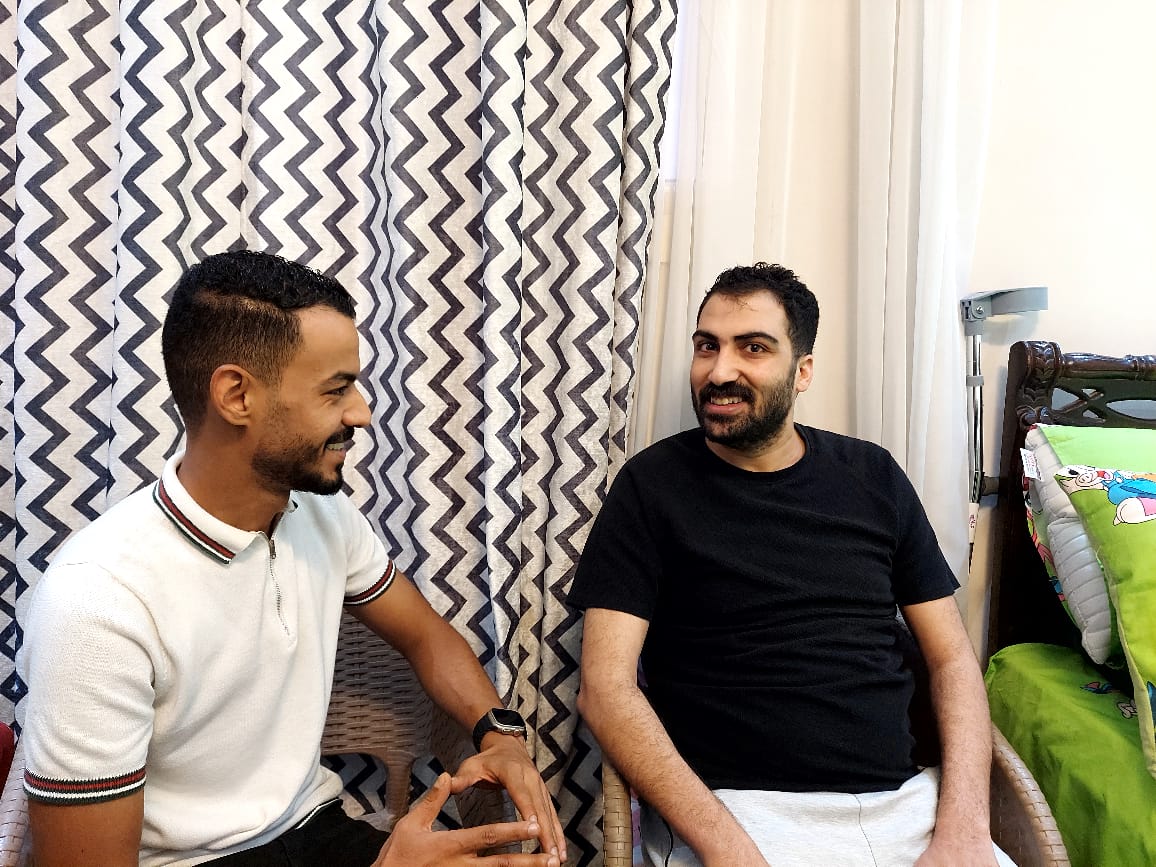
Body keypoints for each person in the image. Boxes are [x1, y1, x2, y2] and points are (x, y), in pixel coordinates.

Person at [19, 251, 565, 867]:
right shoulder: (97, 602)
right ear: (236, 395)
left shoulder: (323, 517)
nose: (361, 413)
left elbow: (424, 635)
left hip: (313, 828)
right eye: (336, 390)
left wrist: (499, 734)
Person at [570, 263, 1013, 867]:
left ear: (802, 371)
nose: (719, 372)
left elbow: (952, 658)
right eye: (707, 346)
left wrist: (963, 829)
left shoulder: (873, 476)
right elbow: (605, 689)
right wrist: (731, 852)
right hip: (737, 815)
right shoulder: (650, 487)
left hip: (905, 806)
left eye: (753, 348)